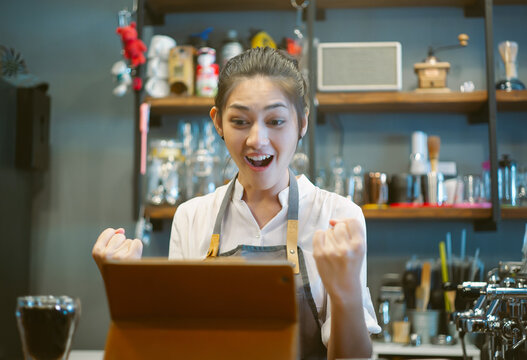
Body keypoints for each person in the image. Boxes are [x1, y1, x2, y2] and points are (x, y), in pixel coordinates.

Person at [93, 47, 380, 360]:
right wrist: (126, 290)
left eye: (276, 121)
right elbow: (177, 348)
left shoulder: (338, 217)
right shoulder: (191, 217)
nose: (257, 139)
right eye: (240, 121)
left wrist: (346, 292)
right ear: (218, 122)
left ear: (301, 123)